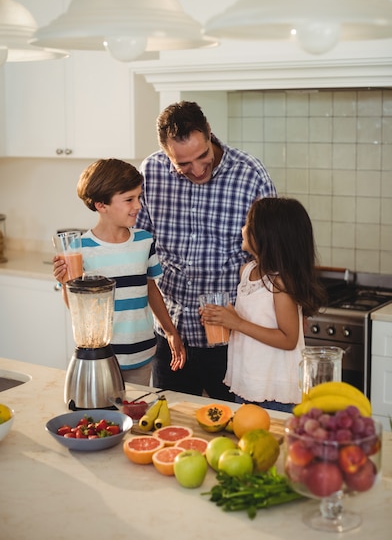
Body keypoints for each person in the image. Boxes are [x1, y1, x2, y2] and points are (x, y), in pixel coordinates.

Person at [135, 100, 277, 399]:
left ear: (210, 133)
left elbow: (274, 256)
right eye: (183, 164)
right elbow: (140, 246)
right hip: (172, 336)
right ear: (165, 153)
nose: (198, 170)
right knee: (168, 424)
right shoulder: (152, 172)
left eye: (203, 156)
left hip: (232, 339)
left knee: (232, 431)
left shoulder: (249, 173)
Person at [53, 158, 185, 385]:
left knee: (134, 413)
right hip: (101, 355)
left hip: (142, 351)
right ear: (101, 205)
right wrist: (66, 281)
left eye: (139, 197)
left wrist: (170, 331)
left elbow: (150, 289)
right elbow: (77, 308)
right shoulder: (79, 249)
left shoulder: (144, 241)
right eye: (129, 199)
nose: (139, 206)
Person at [200, 197, 327, 412]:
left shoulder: (281, 283)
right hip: (247, 383)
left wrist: (237, 322)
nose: (243, 229)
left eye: (248, 224)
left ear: (266, 235)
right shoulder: (247, 271)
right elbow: (252, 322)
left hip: (275, 390)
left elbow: (288, 339)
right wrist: (225, 318)